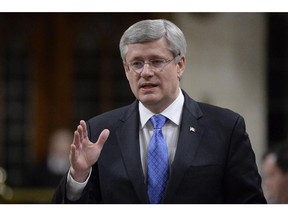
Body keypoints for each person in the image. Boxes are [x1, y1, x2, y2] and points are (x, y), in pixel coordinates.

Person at [52, 19, 266, 204]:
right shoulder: (100, 131)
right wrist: (78, 176)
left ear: (180, 65)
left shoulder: (225, 127)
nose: (145, 72)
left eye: (156, 61)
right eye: (136, 63)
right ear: (126, 70)